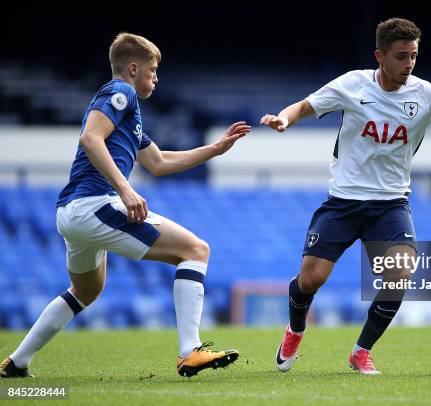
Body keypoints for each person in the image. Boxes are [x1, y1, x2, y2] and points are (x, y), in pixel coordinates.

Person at [261, 17, 431, 375]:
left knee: (400, 274)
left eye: (414, 56)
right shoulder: (352, 84)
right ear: (380, 56)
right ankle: (295, 330)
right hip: (343, 201)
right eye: (401, 57)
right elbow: (304, 106)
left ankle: (361, 352)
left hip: (391, 204)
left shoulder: (428, 95)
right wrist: (284, 119)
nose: (409, 65)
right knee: (310, 279)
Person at [0, 33, 250, 378]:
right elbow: (90, 138)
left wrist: (215, 149)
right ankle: (190, 351)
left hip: (72, 212)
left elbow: (160, 162)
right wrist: (126, 190)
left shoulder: (129, 118)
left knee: (87, 289)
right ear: (134, 68)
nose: (156, 78)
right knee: (196, 250)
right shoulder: (122, 92)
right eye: (153, 69)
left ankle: (17, 362)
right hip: (94, 204)